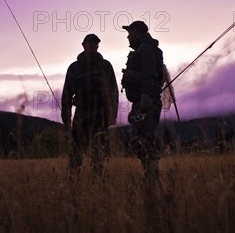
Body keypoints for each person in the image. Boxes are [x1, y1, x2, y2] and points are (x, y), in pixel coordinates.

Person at [61, 33, 119, 175]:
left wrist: (113, 115)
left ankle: (98, 179)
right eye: (91, 43)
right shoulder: (74, 68)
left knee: (99, 151)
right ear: (83, 45)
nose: (94, 45)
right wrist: (66, 119)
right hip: (81, 115)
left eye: (96, 43)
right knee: (76, 151)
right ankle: (73, 178)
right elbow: (67, 94)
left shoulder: (106, 65)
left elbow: (113, 91)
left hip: (101, 115)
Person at [121, 20, 164, 180]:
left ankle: (152, 175)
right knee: (138, 138)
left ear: (137, 32)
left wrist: (146, 98)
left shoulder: (146, 50)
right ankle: (150, 173)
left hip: (146, 103)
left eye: (129, 33)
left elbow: (149, 75)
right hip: (141, 102)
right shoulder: (144, 49)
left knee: (143, 139)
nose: (128, 37)